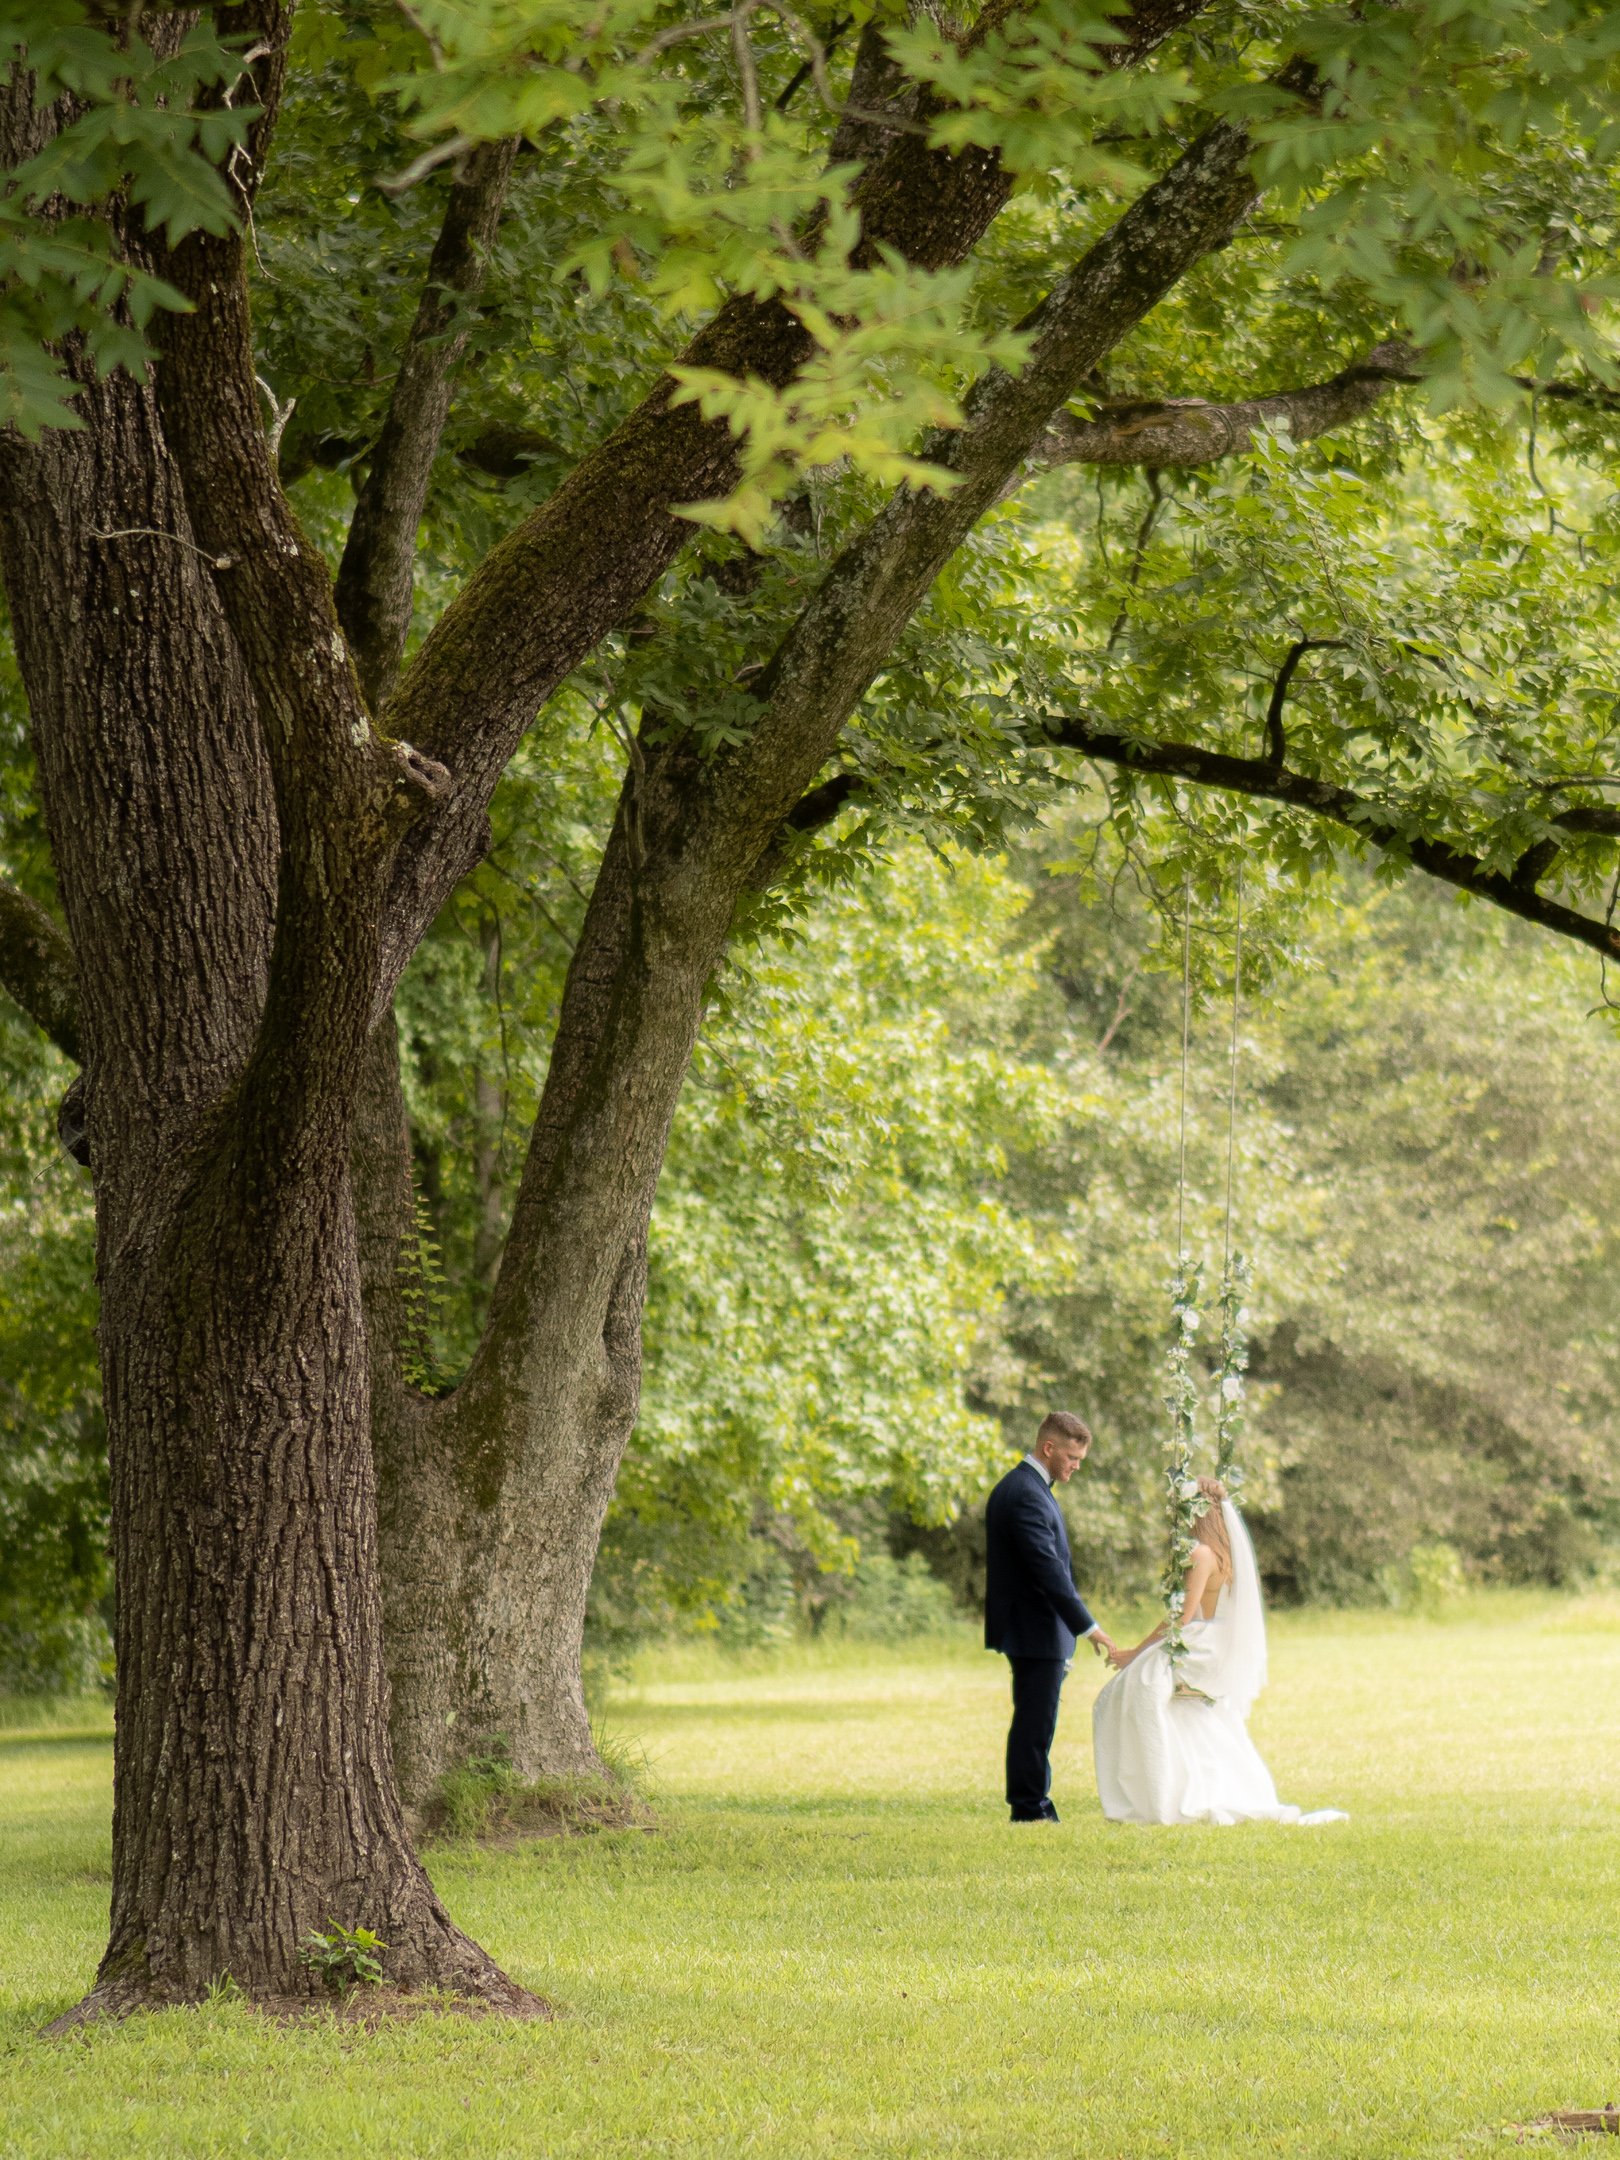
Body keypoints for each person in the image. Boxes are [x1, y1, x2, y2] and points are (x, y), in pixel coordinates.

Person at [1091, 1476, 1346, 1826]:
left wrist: (1134, 1653)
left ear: (1194, 1513)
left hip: (1199, 1642)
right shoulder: (1226, 1554)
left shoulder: (1200, 1553)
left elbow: (1183, 1616)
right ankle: (1173, 1783)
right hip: (1213, 1639)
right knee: (1177, 1709)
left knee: (1131, 1690)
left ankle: (1154, 1789)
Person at [983, 1412, 1118, 1823]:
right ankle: (1030, 1808)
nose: (1076, 1465)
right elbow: (1047, 1569)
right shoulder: (1025, 1492)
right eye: (1073, 1457)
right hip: (1033, 1627)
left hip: (1034, 1628)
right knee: (1035, 1722)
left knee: (1035, 1719)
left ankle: (1032, 1803)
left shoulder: (1029, 1487)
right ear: (1049, 1448)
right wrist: (1088, 1627)